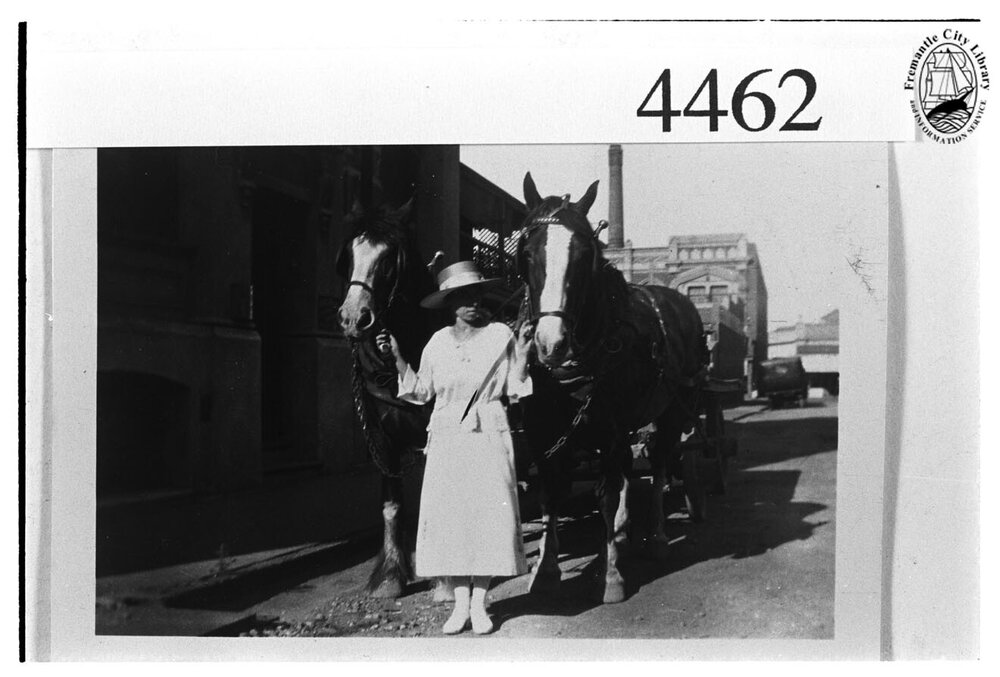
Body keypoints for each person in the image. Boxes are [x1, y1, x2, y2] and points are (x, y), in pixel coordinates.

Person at [379, 261, 532, 635]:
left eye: (477, 296)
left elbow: (515, 386)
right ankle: (459, 603)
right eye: (463, 298)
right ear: (450, 303)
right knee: (452, 520)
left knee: (488, 519)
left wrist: (524, 352)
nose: (472, 304)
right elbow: (421, 391)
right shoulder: (438, 343)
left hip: (489, 435)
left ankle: (481, 603)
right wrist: (398, 358)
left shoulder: (500, 336)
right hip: (448, 439)